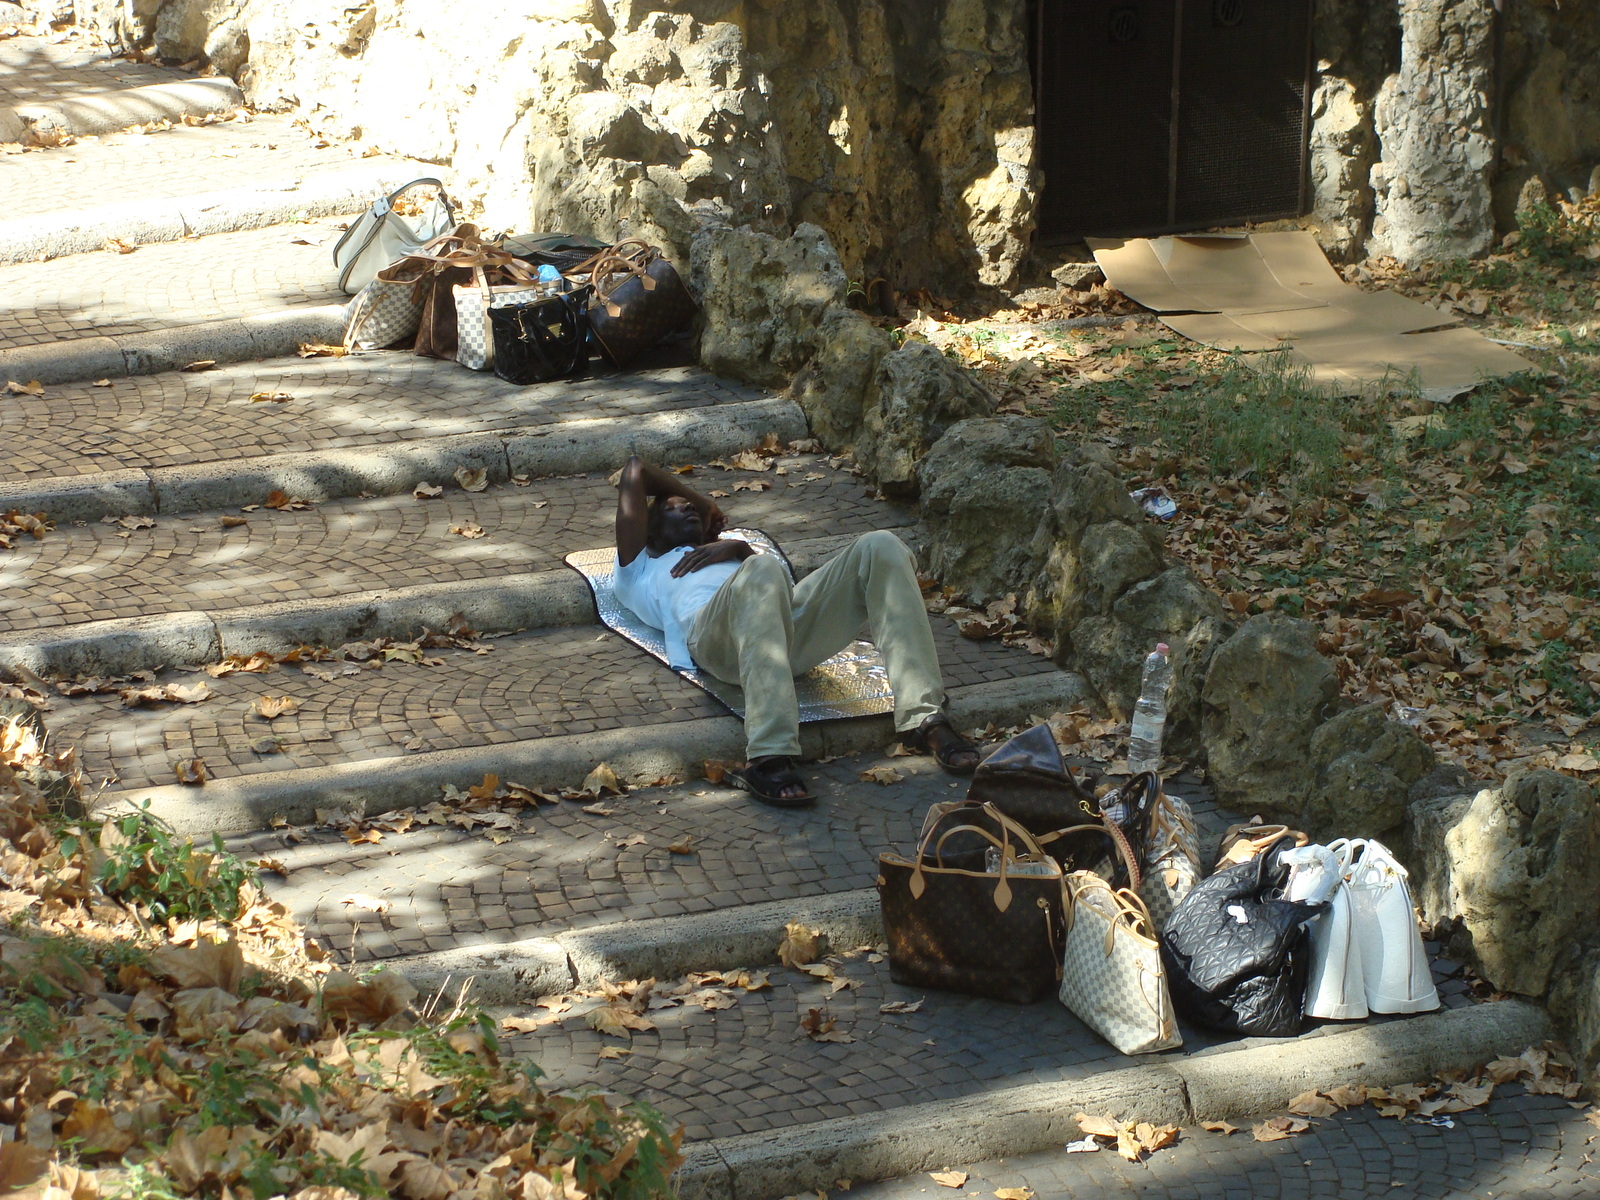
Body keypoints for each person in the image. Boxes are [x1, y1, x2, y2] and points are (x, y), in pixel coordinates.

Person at [611, 454, 980, 806]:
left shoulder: (733, 554)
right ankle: (768, 752)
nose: (686, 507)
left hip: (781, 634)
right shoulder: (640, 567)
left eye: (689, 505)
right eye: (672, 507)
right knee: (762, 570)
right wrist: (706, 503)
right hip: (715, 641)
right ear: (650, 533)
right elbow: (635, 470)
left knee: (880, 546)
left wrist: (740, 550)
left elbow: (779, 598)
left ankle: (923, 716)